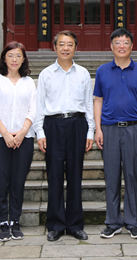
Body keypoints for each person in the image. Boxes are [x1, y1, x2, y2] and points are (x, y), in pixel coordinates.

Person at [33, 30, 95, 242]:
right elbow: (39, 106)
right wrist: (40, 132)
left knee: (76, 176)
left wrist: (90, 131)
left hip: (77, 124)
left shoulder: (84, 74)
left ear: (75, 48)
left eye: (70, 44)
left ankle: (75, 225)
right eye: (61, 44)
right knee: (55, 176)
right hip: (53, 125)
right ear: (55, 47)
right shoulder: (46, 74)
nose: (65, 48)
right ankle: (56, 225)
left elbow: (88, 105)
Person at [93, 28, 137, 240]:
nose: (121, 46)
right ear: (111, 46)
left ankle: (133, 222)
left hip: (134, 129)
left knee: (133, 176)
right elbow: (98, 100)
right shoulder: (102, 71)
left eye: (125, 42)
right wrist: (97, 128)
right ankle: (112, 222)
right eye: (117, 42)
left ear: (131, 46)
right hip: (109, 129)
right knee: (111, 177)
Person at [0, 42, 36, 242]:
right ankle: (3, 222)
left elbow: (33, 109)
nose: (14, 59)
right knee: (0, 181)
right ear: (4, 58)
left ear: (23, 59)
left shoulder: (29, 82)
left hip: (24, 138)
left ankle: (15, 220)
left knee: (17, 182)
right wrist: (5, 133)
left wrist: (22, 132)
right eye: (10, 55)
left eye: (18, 56)